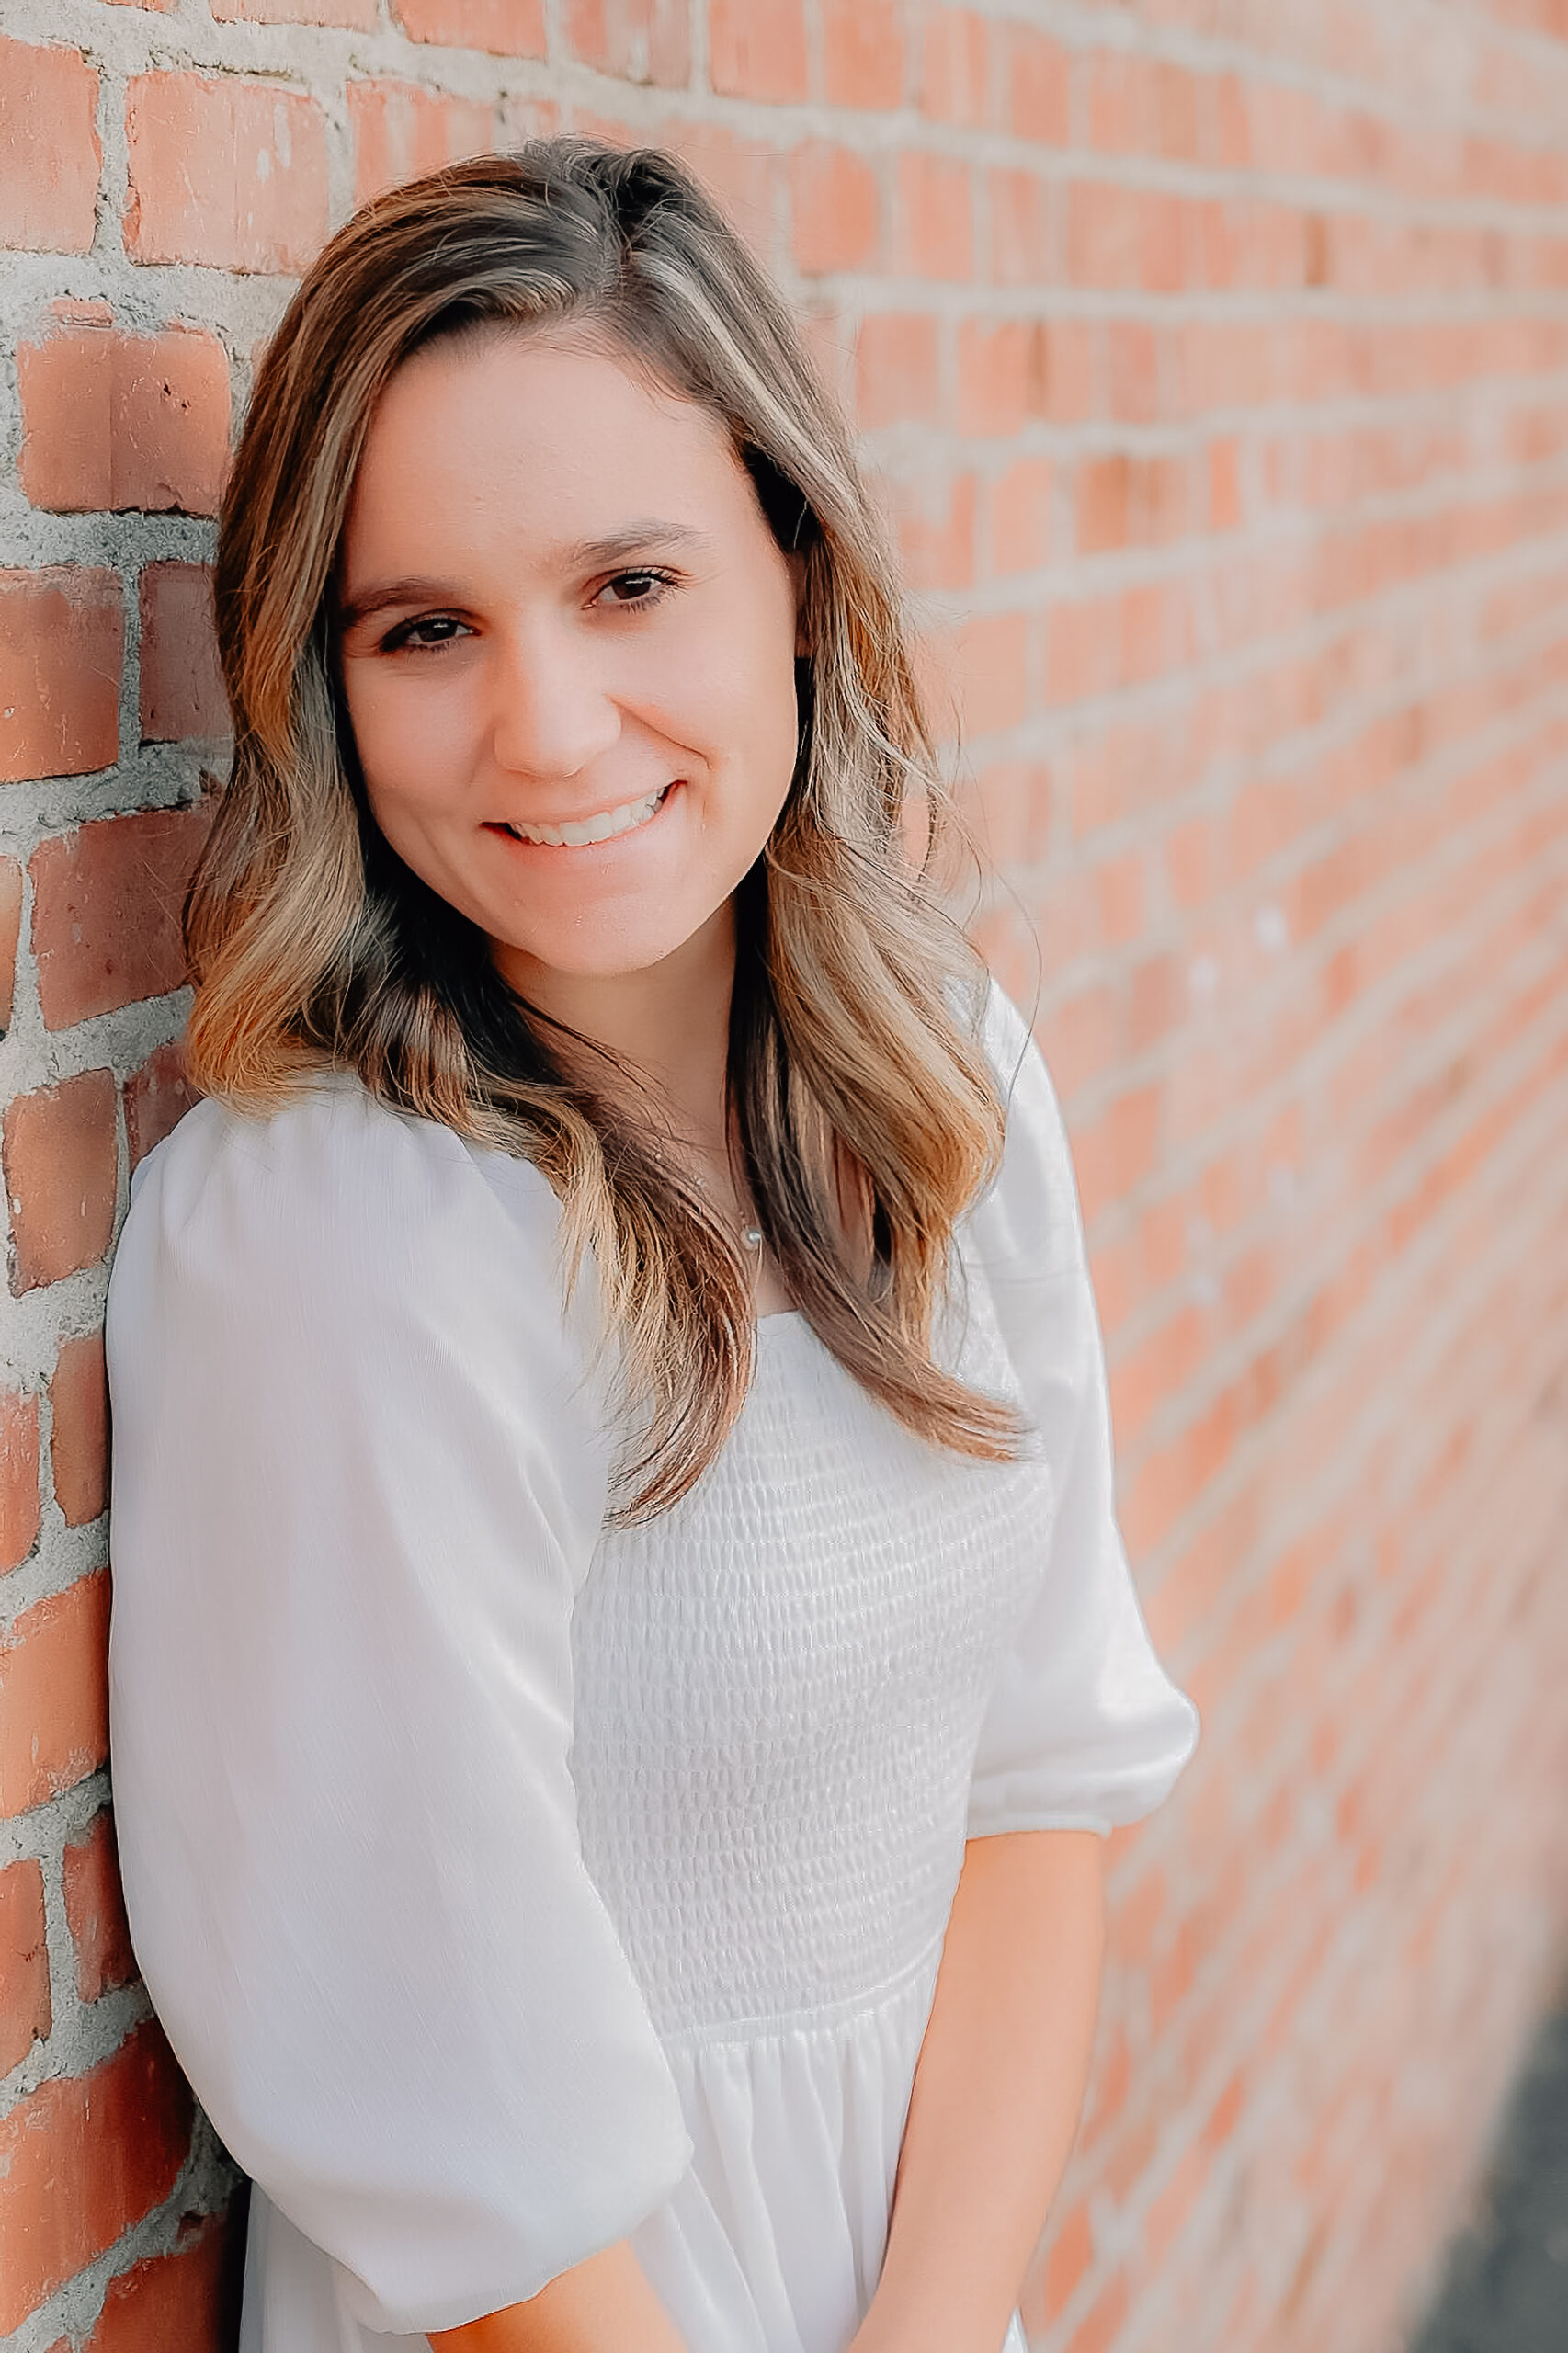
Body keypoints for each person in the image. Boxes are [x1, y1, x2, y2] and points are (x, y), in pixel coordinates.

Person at [104, 141, 1199, 2353]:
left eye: (627, 584)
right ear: (323, 689)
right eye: (425, 629)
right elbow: (440, 2108)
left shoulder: (937, 1081)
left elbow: (1037, 1783)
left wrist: (939, 2321)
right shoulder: (344, 1232)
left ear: (791, 569)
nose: (547, 726)